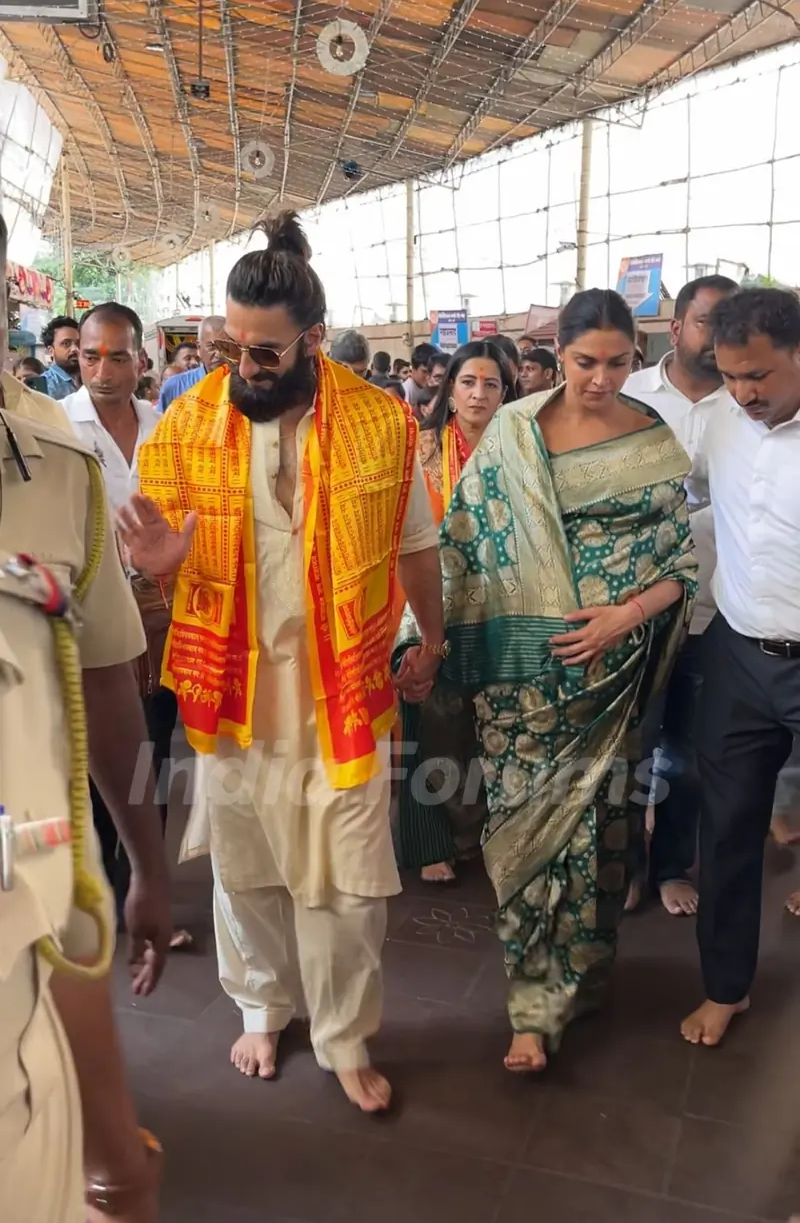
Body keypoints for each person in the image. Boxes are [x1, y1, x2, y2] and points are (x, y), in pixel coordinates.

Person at [117, 211, 444, 1113]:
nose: (243, 367)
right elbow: (164, 549)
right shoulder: (187, 423)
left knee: (348, 881)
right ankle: (261, 1006)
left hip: (344, 688)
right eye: (232, 347)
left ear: (308, 339)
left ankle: (344, 1035)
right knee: (245, 863)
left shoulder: (382, 423)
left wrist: (432, 637)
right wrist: (162, 567)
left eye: (263, 353)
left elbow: (416, 543)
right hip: (232, 693)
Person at [399, 289, 696, 1071]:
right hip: (523, 682)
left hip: (613, 668)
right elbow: (461, 545)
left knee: (598, 829)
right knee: (526, 834)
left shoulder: (651, 435)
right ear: (556, 354)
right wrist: (421, 640)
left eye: (619, 362)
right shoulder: (513, 434)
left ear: (639, 355)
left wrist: (623, 616)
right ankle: (531, 1008)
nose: (601, 378)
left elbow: (680, 566)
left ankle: (581, 975)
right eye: (584, 361)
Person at [0, 212, 170, 1223]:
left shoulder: (51, 466)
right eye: (88, 351)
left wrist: (146, 862)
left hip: (27, 1065)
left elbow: (107, 689)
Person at [681, 288, 800, 1047]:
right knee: (725, 832)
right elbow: (682, 497)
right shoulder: (716, 422)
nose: (743, 392)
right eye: (729, 375)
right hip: (738, 652)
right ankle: (726, 987)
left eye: (757, 375)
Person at [62, 303, 189, 950]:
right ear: (76, 357)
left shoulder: (165, 426)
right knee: (97, 763)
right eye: (91, 355)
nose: (104, 369)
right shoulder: (57, 429)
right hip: (88, 617)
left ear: (142, 359)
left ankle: (147, 892)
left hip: (159, 616)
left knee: (156, 752)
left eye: (118, 355)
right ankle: (109, 902)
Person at [624, 274, 738, 915]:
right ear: (676, 329)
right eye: (707, 323)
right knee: (632, 746)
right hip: (638, 610)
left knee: (689, 756)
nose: (719, 337)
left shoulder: (748, 402)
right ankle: (628, 868)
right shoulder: (634, 397)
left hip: (716, 610)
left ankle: (670, 866)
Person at [396, 341, 515, 884]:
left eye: (491, 384)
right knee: (436, 720)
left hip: (503, 601)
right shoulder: (420, 449)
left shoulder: (522, 450)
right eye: (468, 382)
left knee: (496, 723)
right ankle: (437, 839)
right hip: (433, 601)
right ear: (450, 389)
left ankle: (487, 831)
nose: (478, 393)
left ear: (506, 393)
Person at [157, 316, 225, 413]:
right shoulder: (174, 386)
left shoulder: (243, 385)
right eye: (212, 346)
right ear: (199, 347)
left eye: (225, 347)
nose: (219, 353)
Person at [42, 315, 81, 400]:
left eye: (78, 343)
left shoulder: (90, 379)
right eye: (66, 344)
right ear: (51, 351)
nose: (75, 349)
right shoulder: (45, 385)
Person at [404, 342, 439, 411]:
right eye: (424, 372)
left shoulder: (433, 389)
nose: (429, 376)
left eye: (431, 372)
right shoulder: (406, 392)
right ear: (413, 369)